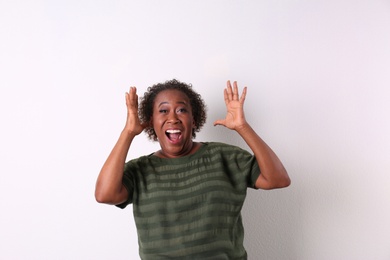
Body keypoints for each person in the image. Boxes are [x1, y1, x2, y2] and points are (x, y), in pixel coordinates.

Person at [95, 79, 290, 259]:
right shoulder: (140, 170)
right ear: (151, 122)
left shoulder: (224, 157)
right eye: (163, 111)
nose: (173, 118)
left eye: (181, 110)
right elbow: (105, 195)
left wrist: (242, 127)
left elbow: (278, 179)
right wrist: (128, 132)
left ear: (194, 120)